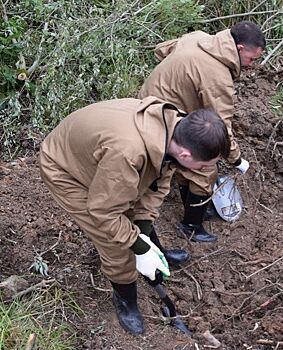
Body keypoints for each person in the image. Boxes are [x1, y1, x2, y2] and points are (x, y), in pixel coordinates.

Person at [39, 97, 230, 335]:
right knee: (115, 243)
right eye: (204, 166)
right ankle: (126, 302)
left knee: (131, 214)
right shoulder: (128, 153)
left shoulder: (178, 127)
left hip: (101, 159)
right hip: (67, 170)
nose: (207, 170)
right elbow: (104, 213)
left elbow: (159, 181)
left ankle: (155, 254)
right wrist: (138, 246)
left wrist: (143, 228)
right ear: (185, 154)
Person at [138, 21, 266, 243]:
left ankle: (196, 207)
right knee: (205, 166)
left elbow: (162, 49)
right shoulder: (217, 76)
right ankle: (192, 226)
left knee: (190, 159)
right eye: (251, 59)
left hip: (147, 100)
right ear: (240, 48)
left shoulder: (199, 37)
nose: (252, 65)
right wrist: (237, 160)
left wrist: (178, 80)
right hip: (160, 115)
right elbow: (222, 128)